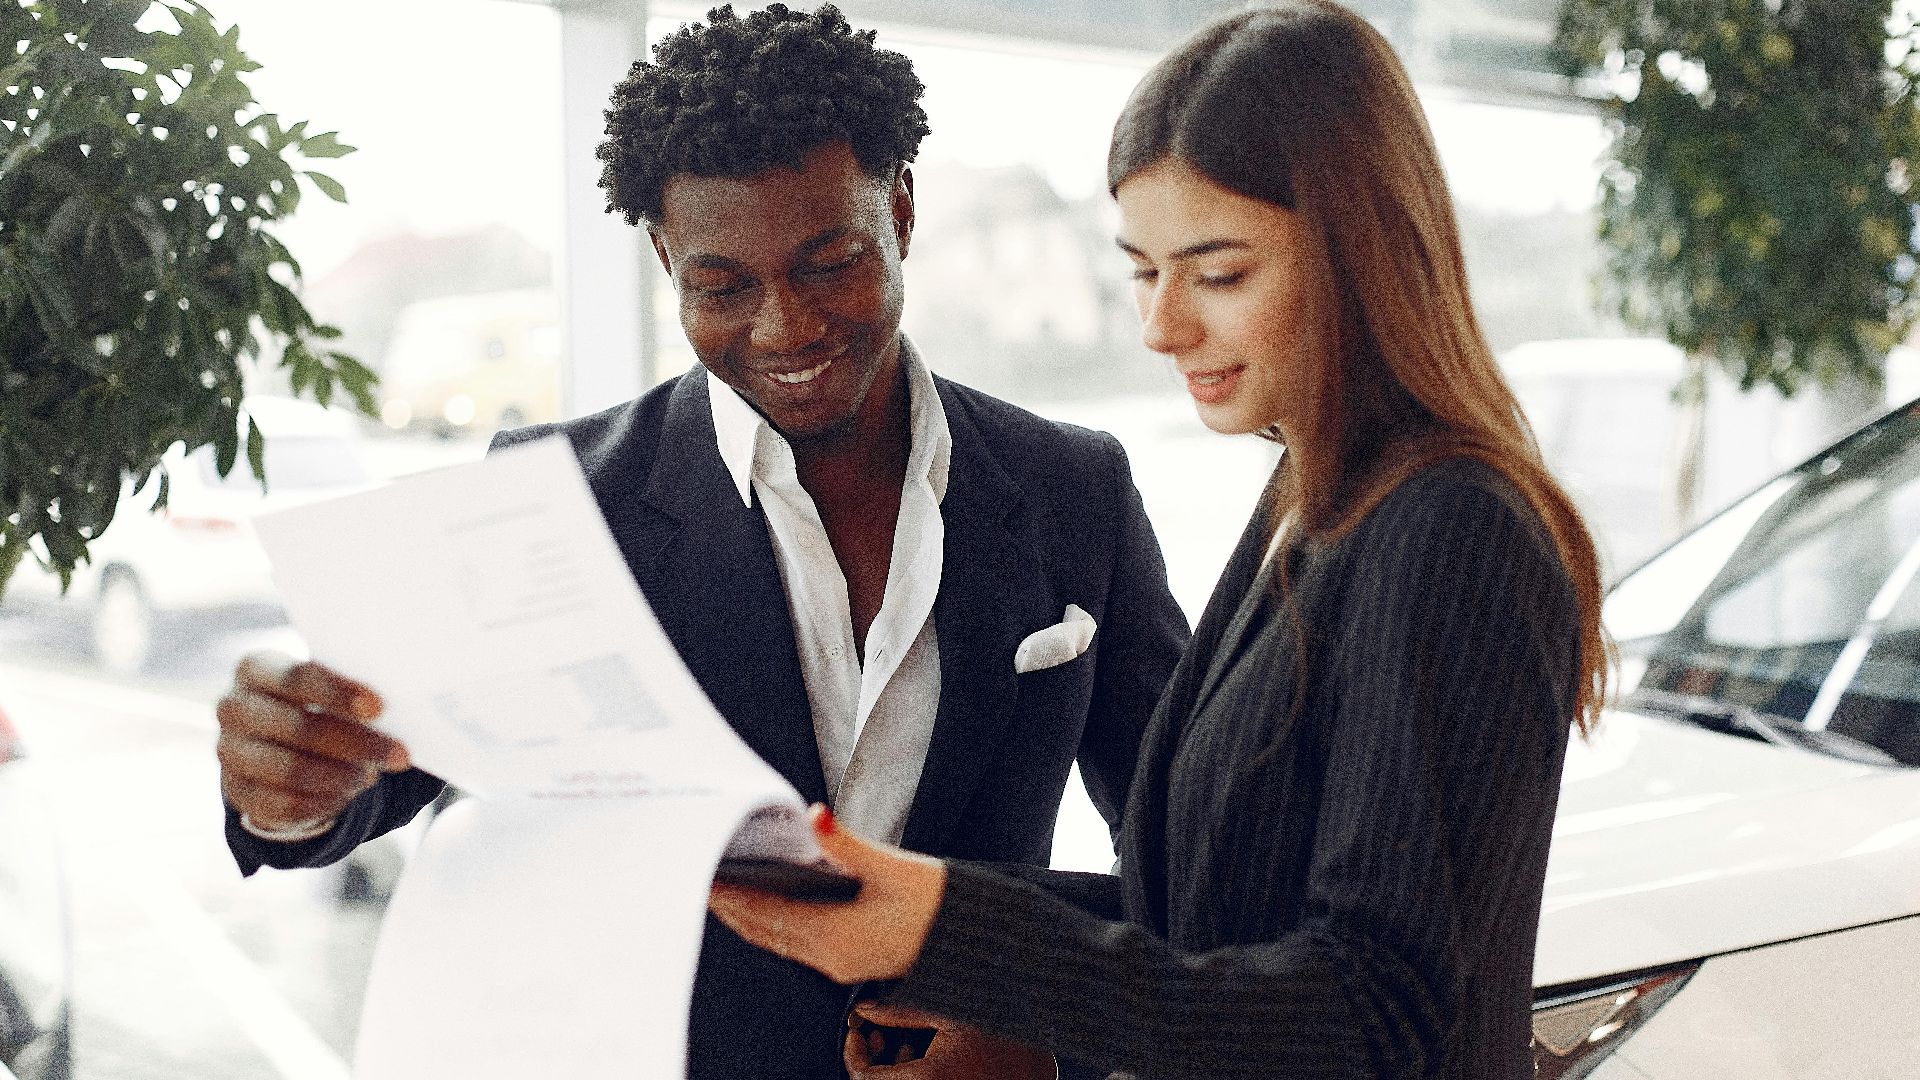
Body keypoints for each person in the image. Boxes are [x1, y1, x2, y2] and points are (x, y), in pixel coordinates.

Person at [211, 5, 1190, 1077]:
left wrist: (1037, 1018)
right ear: (665, 255)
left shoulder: (1072, 489)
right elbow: (383, 775)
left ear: (901, 211)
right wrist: (293, 782)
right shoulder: (562, 498)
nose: (785, 328)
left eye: (828, 265)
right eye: (722, 286)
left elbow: (1201, 860)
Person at [707, 3, 1614, 1078]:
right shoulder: (1315, 498)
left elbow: (1377, 1012)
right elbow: (1210, 916)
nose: (1161, 326)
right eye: (1143, 269)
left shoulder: (1452, 528)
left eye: (1218, 273)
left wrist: (947, 928)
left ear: (1360, 252)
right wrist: (949, 949)